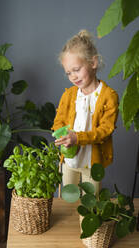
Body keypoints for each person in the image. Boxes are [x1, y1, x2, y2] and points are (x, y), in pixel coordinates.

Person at [51, 29, 119, 194]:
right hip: (70, 161)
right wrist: (62, 135)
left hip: (92, 163)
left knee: (90, 204)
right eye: (68, 73)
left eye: (76, 69)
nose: (73, 76)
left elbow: (105, 130)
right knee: (68, 199)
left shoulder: (109, 96)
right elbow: (58, 121)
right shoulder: (69, 94)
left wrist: (78, 138)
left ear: (93, 63)